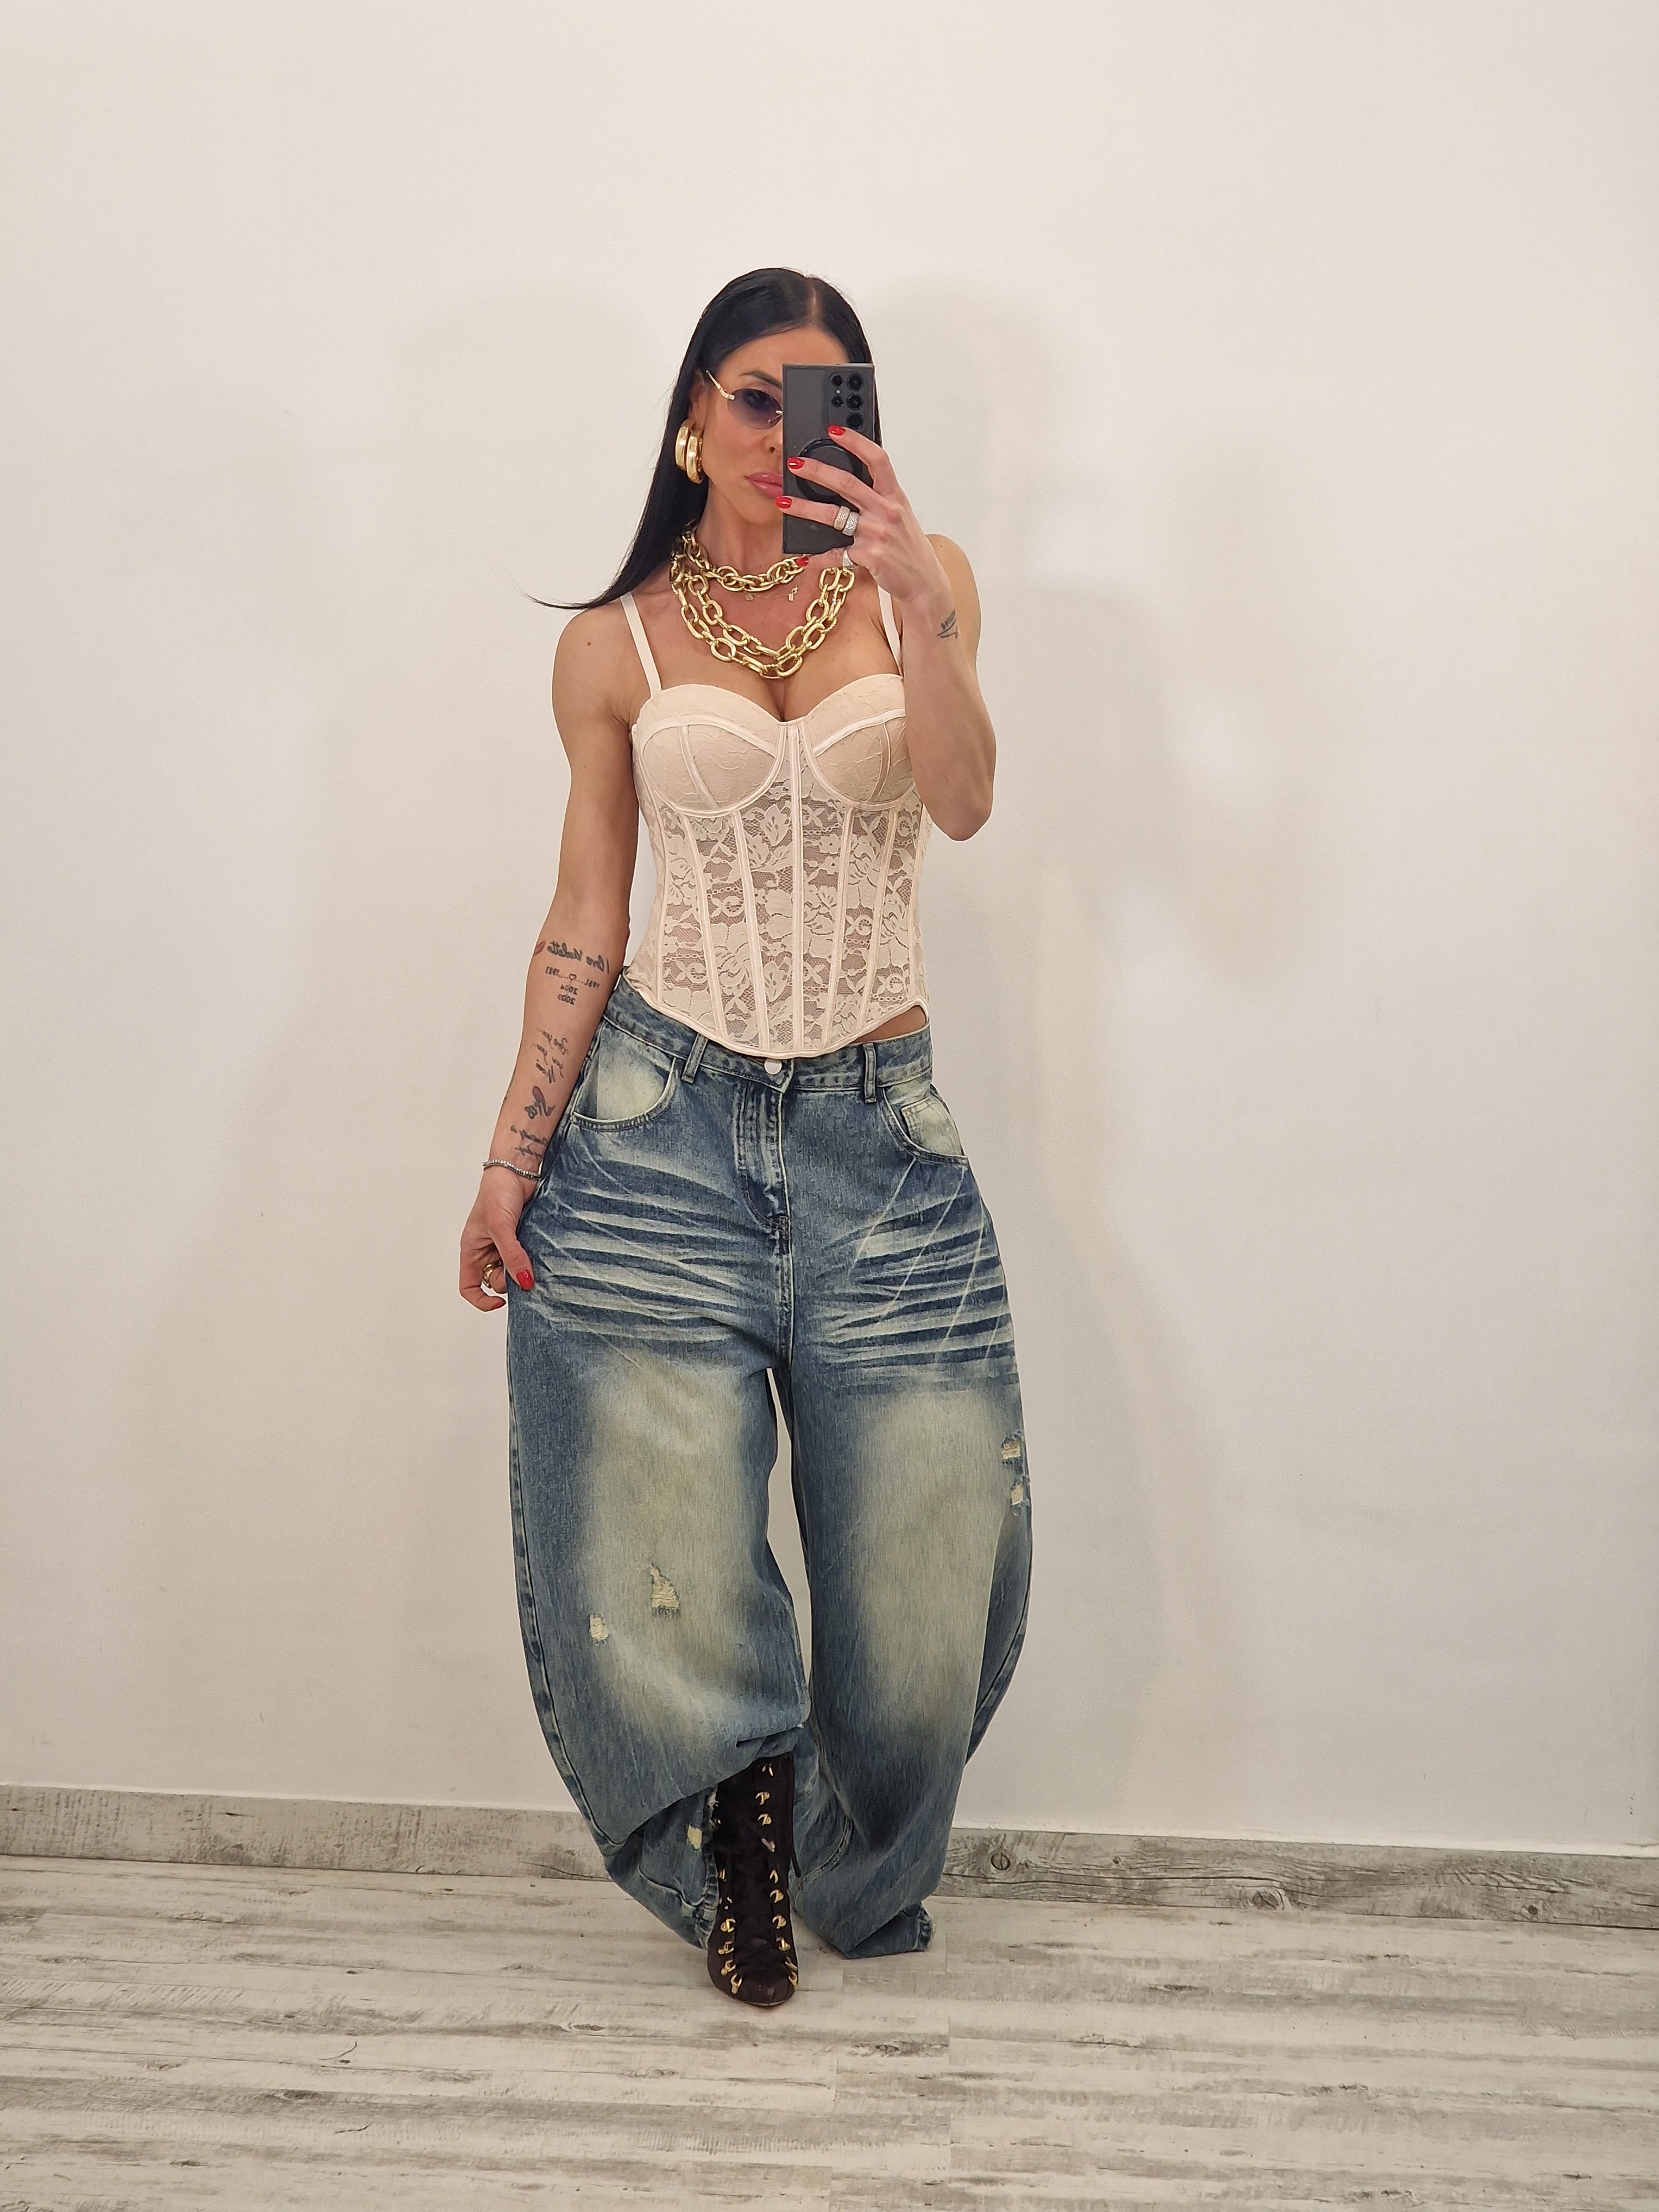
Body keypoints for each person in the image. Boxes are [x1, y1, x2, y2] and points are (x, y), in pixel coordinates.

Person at [458, 268, 1031, 2006]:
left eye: (824, 401)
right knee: (663, 1549)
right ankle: (745, 1841)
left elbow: (963, 801)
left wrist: (920, 611)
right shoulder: (611, 646)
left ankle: (844, 1852)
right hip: (661, 1127)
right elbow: (586, 915)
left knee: (928, 1583)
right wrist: (509, 1158)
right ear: (695, 418)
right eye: (757, 399)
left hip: (879, 1135)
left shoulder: (922, 589)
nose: (788, 432)